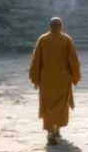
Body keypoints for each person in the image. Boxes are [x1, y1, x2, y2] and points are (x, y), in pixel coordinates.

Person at [28, 17, 82, 145]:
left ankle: (51, 131)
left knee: (48, 105)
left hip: (46, 79)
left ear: (50, 26)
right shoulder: (66, 40)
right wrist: (75, 76)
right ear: (61, 26)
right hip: (62, 79)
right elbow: (73, 61)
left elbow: (36, 61)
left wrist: (35, 77)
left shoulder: (43, 39)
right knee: (61, 106)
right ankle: (56, 129)